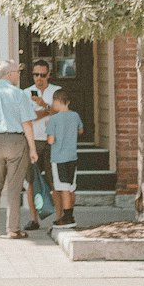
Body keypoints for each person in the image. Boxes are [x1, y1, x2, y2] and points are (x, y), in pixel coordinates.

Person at [0, 59, 38, 239]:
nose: (19, 75)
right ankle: (12, 229)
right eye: (17, 72)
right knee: (13, 187)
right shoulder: (19, 94)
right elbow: (27, 124)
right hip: (15, 141)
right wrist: (33, 148)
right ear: (10, 74)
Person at [24, 58, 60, 229]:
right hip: (33, 141)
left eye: (42, 75)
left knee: (55, 181)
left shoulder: (57, 91)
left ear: (49, 75)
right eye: (35, 75)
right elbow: (27, 118)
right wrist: (48, 111)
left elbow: (61, 114)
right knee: (31, 181)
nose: (39, 78)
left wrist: (43, 106)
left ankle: (59, 217)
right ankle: (33, 219)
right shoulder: (25, 93)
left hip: (53, 140)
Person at [45, 89, 84, 226]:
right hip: (72, 156)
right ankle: (71, 214)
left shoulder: (53, 119)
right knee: (71, 187)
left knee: (63, 188)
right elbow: (80, 130)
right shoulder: (75, 116)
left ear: (56, 101)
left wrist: (48, 131)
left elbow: (50, 140)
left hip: (58, 158)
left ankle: (67, 217)